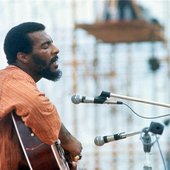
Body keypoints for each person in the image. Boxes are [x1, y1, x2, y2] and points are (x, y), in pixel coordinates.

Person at [0, 22, 82, 170]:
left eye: (52, 44)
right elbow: (36, 105)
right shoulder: (7, 79)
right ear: (23, 57)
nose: (56, 50)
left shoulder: (21, 86)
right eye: (45, 47)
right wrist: (68, 140)